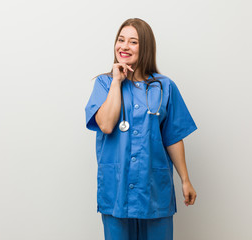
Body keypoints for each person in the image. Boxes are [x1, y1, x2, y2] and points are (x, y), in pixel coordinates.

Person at [85, 18, 198, 240]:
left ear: (145, 47)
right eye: (121, 40)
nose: (124, 46)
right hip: (116, 187)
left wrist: (185, 179)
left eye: (133, 42)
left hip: (154, 188)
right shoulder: (104, 84)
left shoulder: (164, 86)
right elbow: (106, 125)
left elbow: (173, 137)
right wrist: (117, 81)